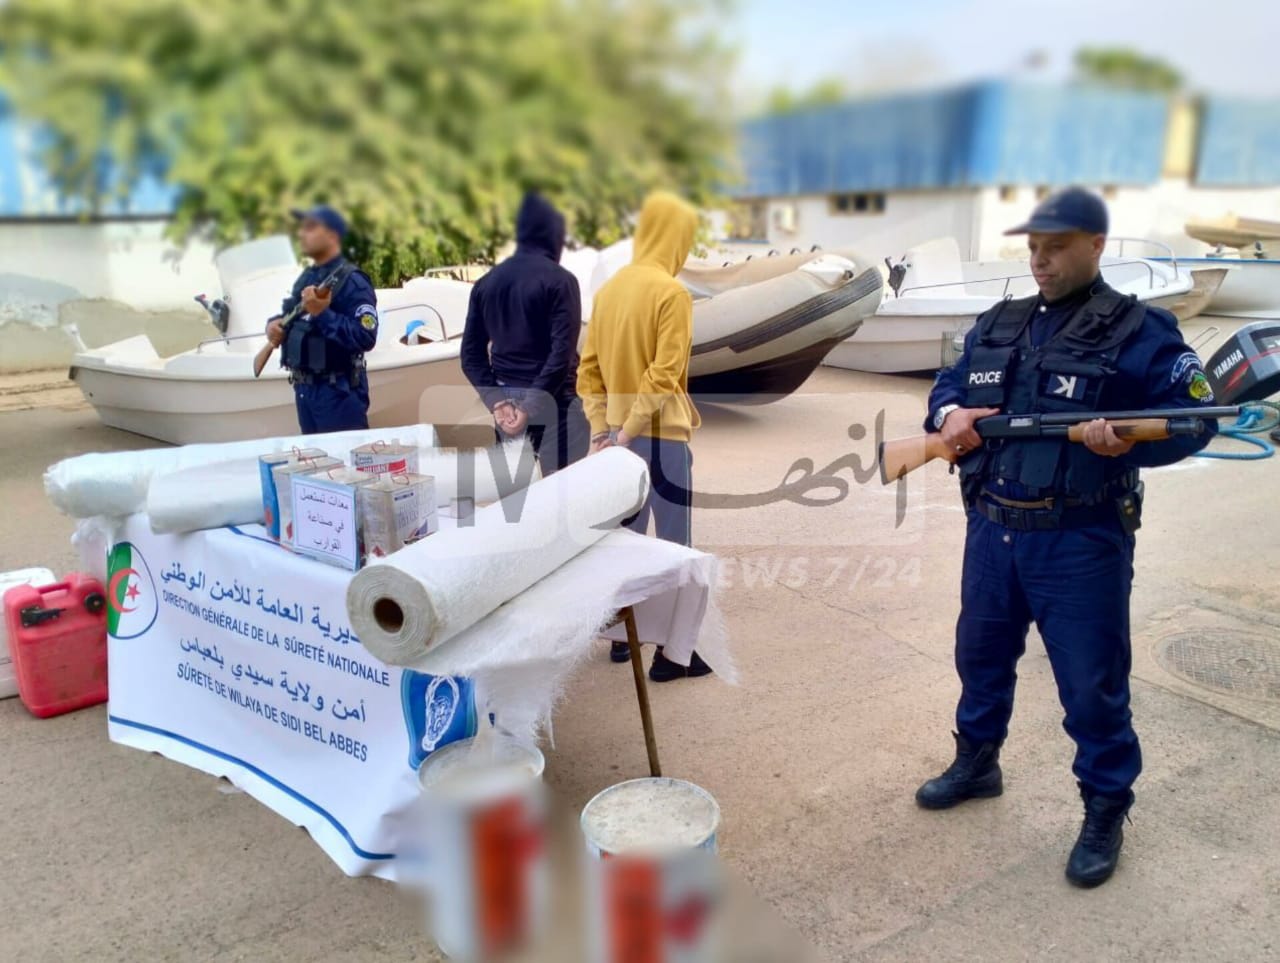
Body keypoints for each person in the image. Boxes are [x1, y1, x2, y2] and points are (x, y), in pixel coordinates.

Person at [917, 187, 1219, 888]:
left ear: (1096, 245)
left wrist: (1130, 443)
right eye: (1033, 248)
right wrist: (950, 412)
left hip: (1080, 540)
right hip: (992, 530)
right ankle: (977, 762)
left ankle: (1106, 806)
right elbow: (946, 383)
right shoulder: (999, 321)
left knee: (1091, 686)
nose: (1040, 261)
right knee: (980, 660)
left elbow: (1196, 418)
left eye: (1055, 248)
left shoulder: (1143, 330)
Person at [577, 190, 710, 683]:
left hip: (617, 440)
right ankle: (673, 657)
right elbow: (664, 373)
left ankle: (622, 640)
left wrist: (604, 431)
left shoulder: (608, 293)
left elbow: (588, 372)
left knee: (625, 541)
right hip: (661, 438)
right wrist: (632, 428)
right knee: (675, 549)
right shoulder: (672, 293)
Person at [461, 191, 589, 475]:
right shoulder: (561, 281)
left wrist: (496, 401)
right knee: (565, 493)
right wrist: (531, 405)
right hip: (556, 403)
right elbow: (561, 354)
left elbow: (470, 356)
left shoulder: (486, 283)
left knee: (514, 494)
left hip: (507, 402)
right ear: (554, 233)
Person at [266, 205, 378, 434]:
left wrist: (323, 314)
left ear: (332, 236)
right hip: (305, 390)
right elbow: (290, 314)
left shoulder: (352, 281)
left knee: (343, 456)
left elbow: (365, 336)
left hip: (338, 392)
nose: (301, 234)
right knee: (314, 456)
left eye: (310, 228)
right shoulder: (308, 276)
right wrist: (273, 324)